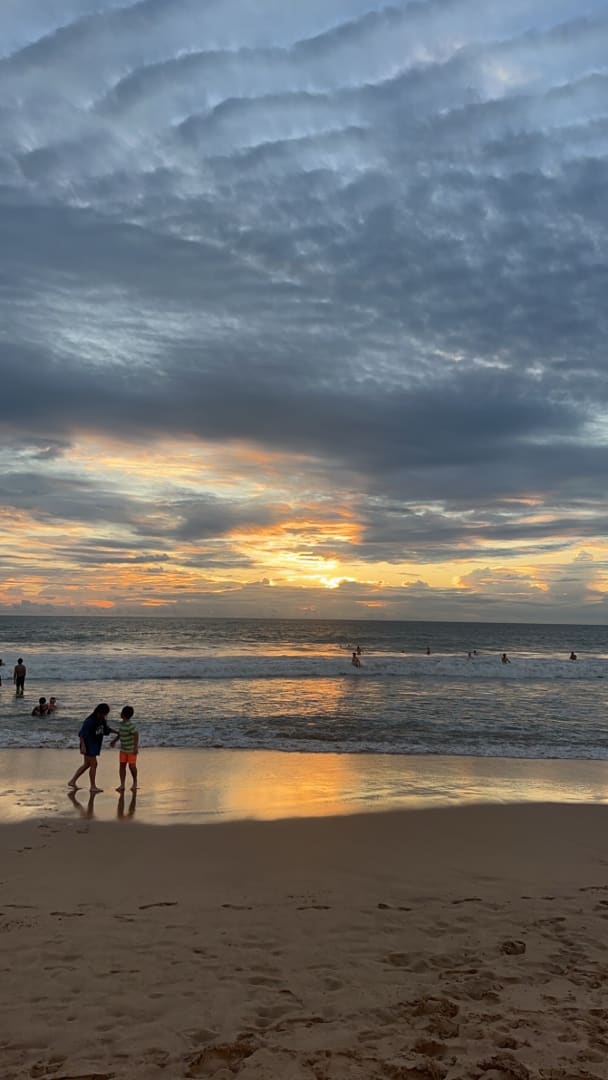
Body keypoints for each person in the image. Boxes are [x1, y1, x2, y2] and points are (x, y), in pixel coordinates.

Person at [67, 703, 118, 793]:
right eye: (104, 714)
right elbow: (82, 734)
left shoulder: (102, 720)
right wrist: (83, 746)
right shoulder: (89, 721)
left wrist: (117, 732)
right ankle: (92, 786)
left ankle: (72, 781)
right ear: (99, 712)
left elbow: (106, 730)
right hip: (88, 745)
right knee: (94, 764)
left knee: (87, 764)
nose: (105, 715)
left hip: (95, 744)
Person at [111, 705, 139, 792]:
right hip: (123, 749)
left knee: (132, 766)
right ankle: (122, 784)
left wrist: (135, 747)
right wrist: (114, 741)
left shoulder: (130, 725)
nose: (120, 714)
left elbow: (136, 735)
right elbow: (120, 734)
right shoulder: (121, 724)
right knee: (122, 766)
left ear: (123, 714)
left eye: (121, 712)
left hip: (131, 749)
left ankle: (135, 782)